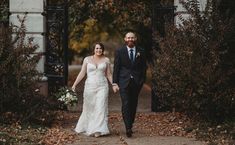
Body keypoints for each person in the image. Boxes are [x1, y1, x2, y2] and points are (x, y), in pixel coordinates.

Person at [72, 42, 113, 137]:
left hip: (102, 86)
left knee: (100, 106)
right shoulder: (87, 59)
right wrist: (74, 84)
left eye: (100, 49)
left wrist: (113, 83)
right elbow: (82, 73)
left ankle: (98, 129)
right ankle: (89, 126)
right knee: (89, 107)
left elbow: (109, 74)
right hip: (89, 86)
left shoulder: (106, 60)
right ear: (94, 49)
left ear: (103, 50)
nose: (98, 50)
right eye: (97, 48)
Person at [112, 32, 147, 137]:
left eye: (132, 37)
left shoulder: (141, 51)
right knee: (126, 103)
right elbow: (116, 68)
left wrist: (142, 81)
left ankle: (130, 122)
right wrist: (114, 83)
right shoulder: (119, 51)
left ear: (135, 38)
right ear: (125, 39)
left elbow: (144, 67)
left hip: (136, 82)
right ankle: (128, 127)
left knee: (133, 104)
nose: (130, 39)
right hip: (123, 81)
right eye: (128, 37)